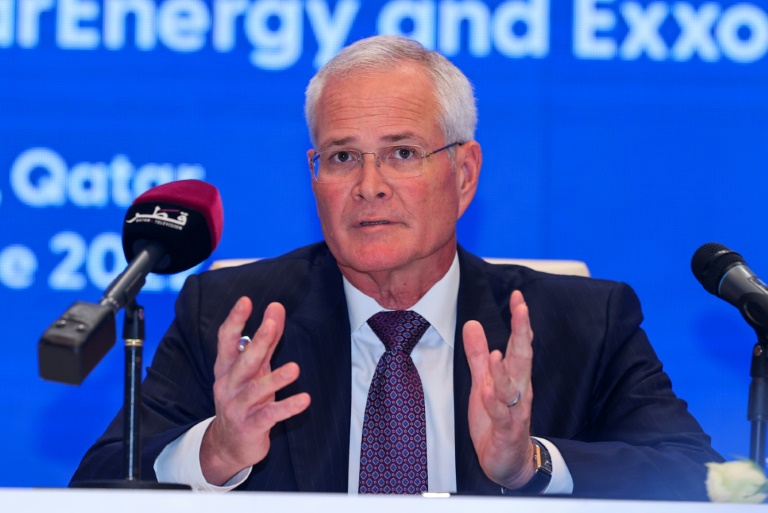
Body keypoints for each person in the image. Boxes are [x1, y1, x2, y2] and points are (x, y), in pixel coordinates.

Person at [71, 35, 722, 500]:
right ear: (314, 176)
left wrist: (531, 464)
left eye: (402, 153)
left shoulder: (583, 323)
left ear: (464, 174)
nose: (369, 186)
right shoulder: (232, 318)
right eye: (342, 157)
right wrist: (215, 451)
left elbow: (701, 477)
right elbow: (95, 484)